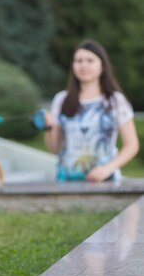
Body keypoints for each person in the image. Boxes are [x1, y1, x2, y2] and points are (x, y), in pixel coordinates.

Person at [44, 39, 139, 182]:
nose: (84, 65)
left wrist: (108, 168)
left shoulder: (115, 101)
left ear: (102, 65)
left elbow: (132, 145)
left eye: (90, 60)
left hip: (105, 182)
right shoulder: (61, 99)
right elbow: (54, 148)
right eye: (79, 61)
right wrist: (49, 128)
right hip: (66, 181)